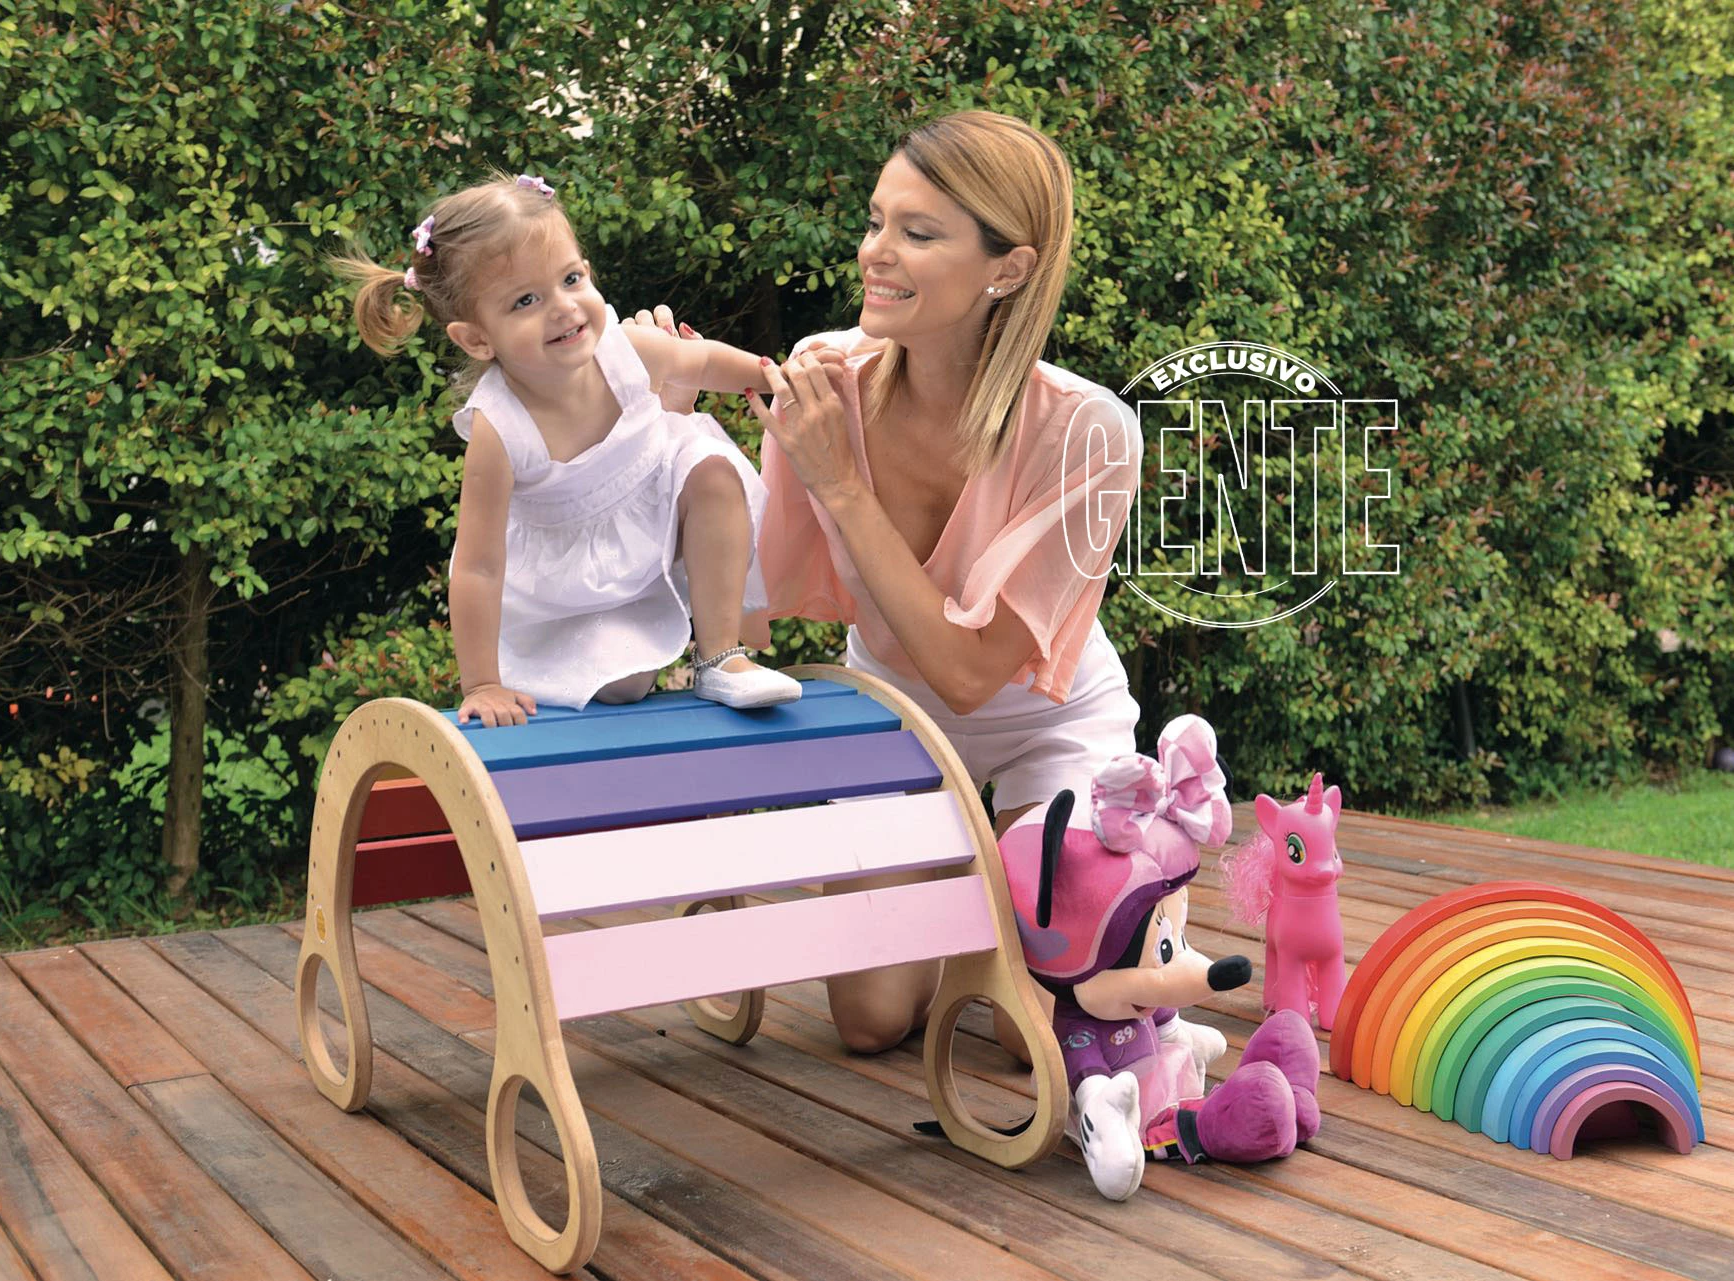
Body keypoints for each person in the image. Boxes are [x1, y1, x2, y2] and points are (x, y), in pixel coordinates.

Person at [635, 111, 1143, 1054]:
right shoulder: (829, 377)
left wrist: (840, 483)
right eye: (876, 221)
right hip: (896, 715)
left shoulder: (1090, 432)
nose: (876, 251)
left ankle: (1086, 902)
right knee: (870, 1021)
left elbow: (972, 674)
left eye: (918, 233)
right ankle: (1002, 911)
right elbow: (733, 596)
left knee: (1040, 1023)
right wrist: (665, 410)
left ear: (1008, 268)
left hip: (1049, 721)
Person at [337, 172, 814, 725]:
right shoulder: (500, 429)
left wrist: (775, 378)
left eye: (571, 278)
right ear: (477, 338)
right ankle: (622, 650)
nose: (563, 307)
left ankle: (721, 657)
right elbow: (478, 567)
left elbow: (701, 361)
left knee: (710, 468)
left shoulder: (622, 349)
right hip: (573, 578)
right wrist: (482, 684)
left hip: (658, 507)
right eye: (525, 300)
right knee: (624, 687)